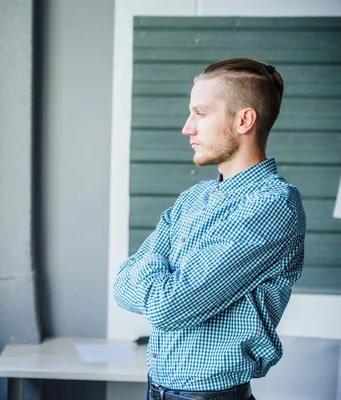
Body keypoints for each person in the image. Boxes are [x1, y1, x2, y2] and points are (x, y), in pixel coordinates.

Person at [113, 58, 306, 400]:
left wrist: (155, 266)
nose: (188, 128)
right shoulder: (193, 197)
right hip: (155, 389)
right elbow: (121, 285)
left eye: (200, 113)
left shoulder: (272, 204)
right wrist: (162, 277)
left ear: (244, 119)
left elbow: (167, 306)